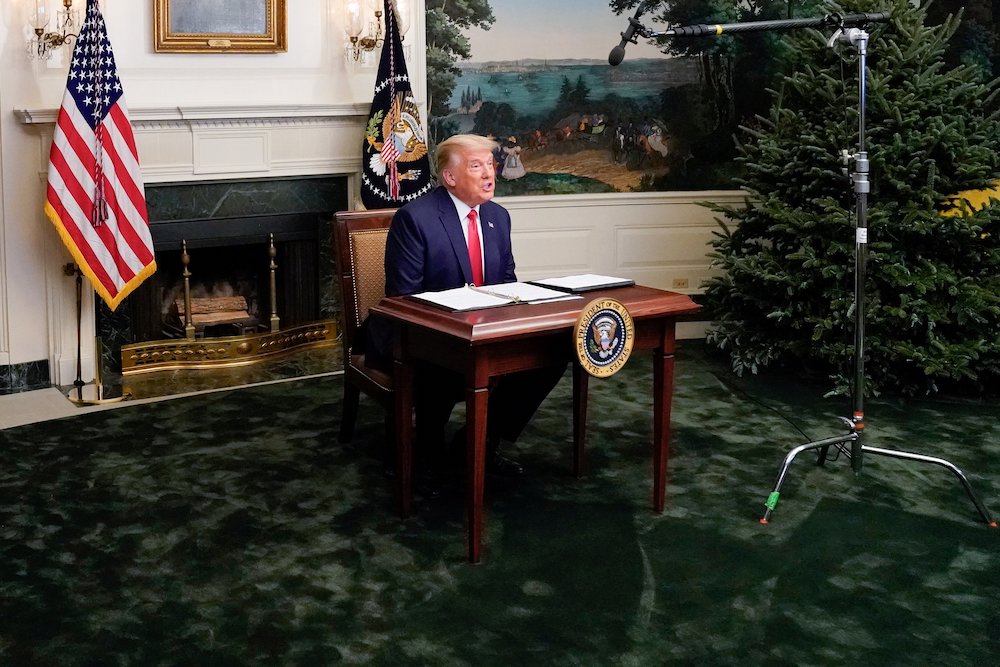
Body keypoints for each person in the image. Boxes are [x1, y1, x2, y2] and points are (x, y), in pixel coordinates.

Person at [364, 134, 566, 476]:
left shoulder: (498, 218)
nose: (489, 174)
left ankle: (480, 441)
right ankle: (428, 457)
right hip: (417, 333)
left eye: (490, 164)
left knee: (552, 353)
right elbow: (404, 297)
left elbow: (506, 283)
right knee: (442, 368)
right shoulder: (415, 219)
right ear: (450, 177)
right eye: (477, 166)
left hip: (480, 331)